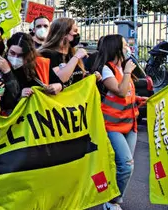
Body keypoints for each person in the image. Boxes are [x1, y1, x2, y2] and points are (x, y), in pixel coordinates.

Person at [94, 35, 143, 210]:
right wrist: (129, 71)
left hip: (130, 124)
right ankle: (113, 200)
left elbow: (126, 94)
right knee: (126, 164)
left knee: (124, 165)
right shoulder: (108, 69)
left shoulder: (121, 68)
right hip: (112, 125)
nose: (127, 47)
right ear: (115, 48)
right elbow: (120, 92)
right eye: (124, 45)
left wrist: (138, 98)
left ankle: (112, 197)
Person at [5, 32, 62, 96]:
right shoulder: (2, 65)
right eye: (12, 53)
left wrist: (57, 86)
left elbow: (58, 83)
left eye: (20, 55)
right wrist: (19, 95)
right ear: (8, 49)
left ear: (28, 54)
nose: (15, 58)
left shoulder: (40, 63)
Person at [39, 18, 88, 88]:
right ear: (63, 33)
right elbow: (60, 79)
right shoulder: (47, 54)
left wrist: (89, 76)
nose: (77, 34)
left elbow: (77, 77)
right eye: (75, 31)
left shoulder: (72, 52)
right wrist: (76, 57)